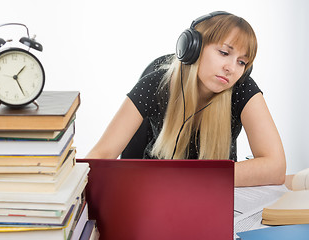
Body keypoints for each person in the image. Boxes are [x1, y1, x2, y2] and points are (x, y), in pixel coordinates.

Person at [86, 11, 286, 187]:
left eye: (242, 62)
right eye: (224, 53)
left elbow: (276, 166)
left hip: (214, 196)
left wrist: (193, 178)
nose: (232, 68)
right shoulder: (157, 84)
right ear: (194, 49)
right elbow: (100, 156)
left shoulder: (241, 88)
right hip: (155, 194)